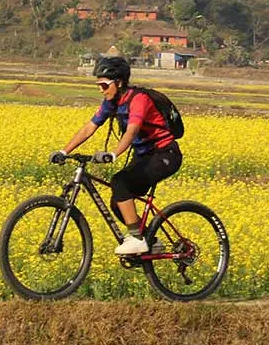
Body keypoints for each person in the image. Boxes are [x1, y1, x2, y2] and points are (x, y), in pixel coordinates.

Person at [50, 55, 182, 255]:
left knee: (120, 182)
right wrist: (64, 151)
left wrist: (113, 154)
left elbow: (132, 130)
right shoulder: (111, 103)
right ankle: (150, 240)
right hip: (144, 156)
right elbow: (89, 127)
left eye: (104, 85)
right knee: (118, 202)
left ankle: (137, 239)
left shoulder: (139, 99)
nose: (100, 89)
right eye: (98, 85)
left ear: (119, 83)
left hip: (165, 154)